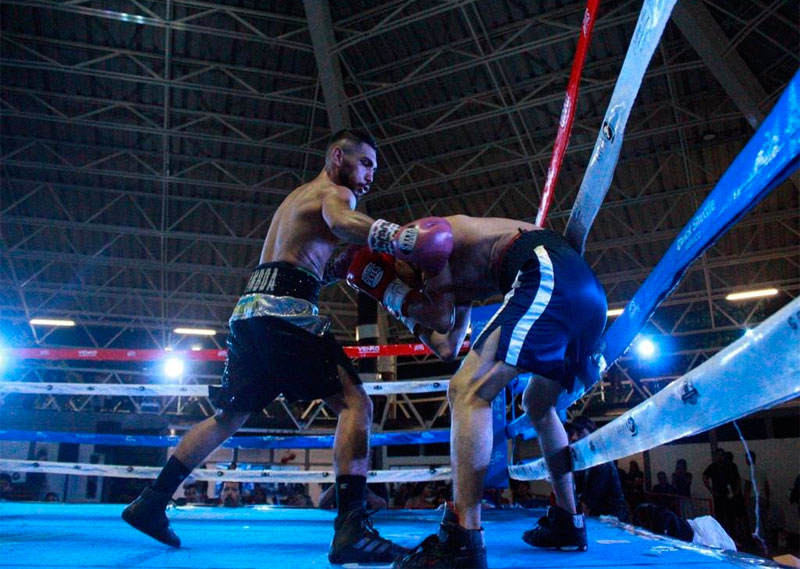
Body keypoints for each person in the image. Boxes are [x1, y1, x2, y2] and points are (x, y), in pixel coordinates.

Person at [122, 129, 452, 565]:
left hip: (249, 311)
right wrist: (397, 237)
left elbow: (308, 256)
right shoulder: (336, 194)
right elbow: (341, 223)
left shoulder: (299, 197)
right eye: (367, 163)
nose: (372, 175)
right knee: (356, 405)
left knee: (229, 416)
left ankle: (151, 500)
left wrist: (346, 269)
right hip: (286, 311)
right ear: (338, 157)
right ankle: (351, 528)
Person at [346, 215, 607, 568]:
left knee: (467, 390)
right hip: (582, 290)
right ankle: (567, 521)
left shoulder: (425, 239)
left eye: (397, 277)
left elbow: (435, 308)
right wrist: (396, 299)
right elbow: (447, 344)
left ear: (395, 258)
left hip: (546, 269)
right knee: (537, 404)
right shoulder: (446, 274)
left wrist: (393, 292)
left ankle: (462, 537)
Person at [567, 415, 628, 522]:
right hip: (597, 520)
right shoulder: (583, 464)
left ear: (592, 437)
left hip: (612, 525)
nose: (573, 438)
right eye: (572, 433)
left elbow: (585, 508)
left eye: (580, 433)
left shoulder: (600, 463)